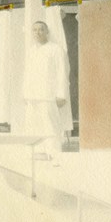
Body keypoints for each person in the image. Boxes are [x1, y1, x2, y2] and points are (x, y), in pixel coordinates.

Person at [23, 21, 68, 164]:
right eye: (34, 30)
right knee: (33, 125)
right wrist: (25, 93)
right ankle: (40, 153)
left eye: (41, 30)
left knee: (51, 126)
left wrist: (61, 94)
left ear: (47, 32)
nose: (37, 32)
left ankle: (55, 155)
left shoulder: (56, 49)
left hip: (48, 95)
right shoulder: (31, 50)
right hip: (33, 96)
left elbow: (62, 72)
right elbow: (27, 73)